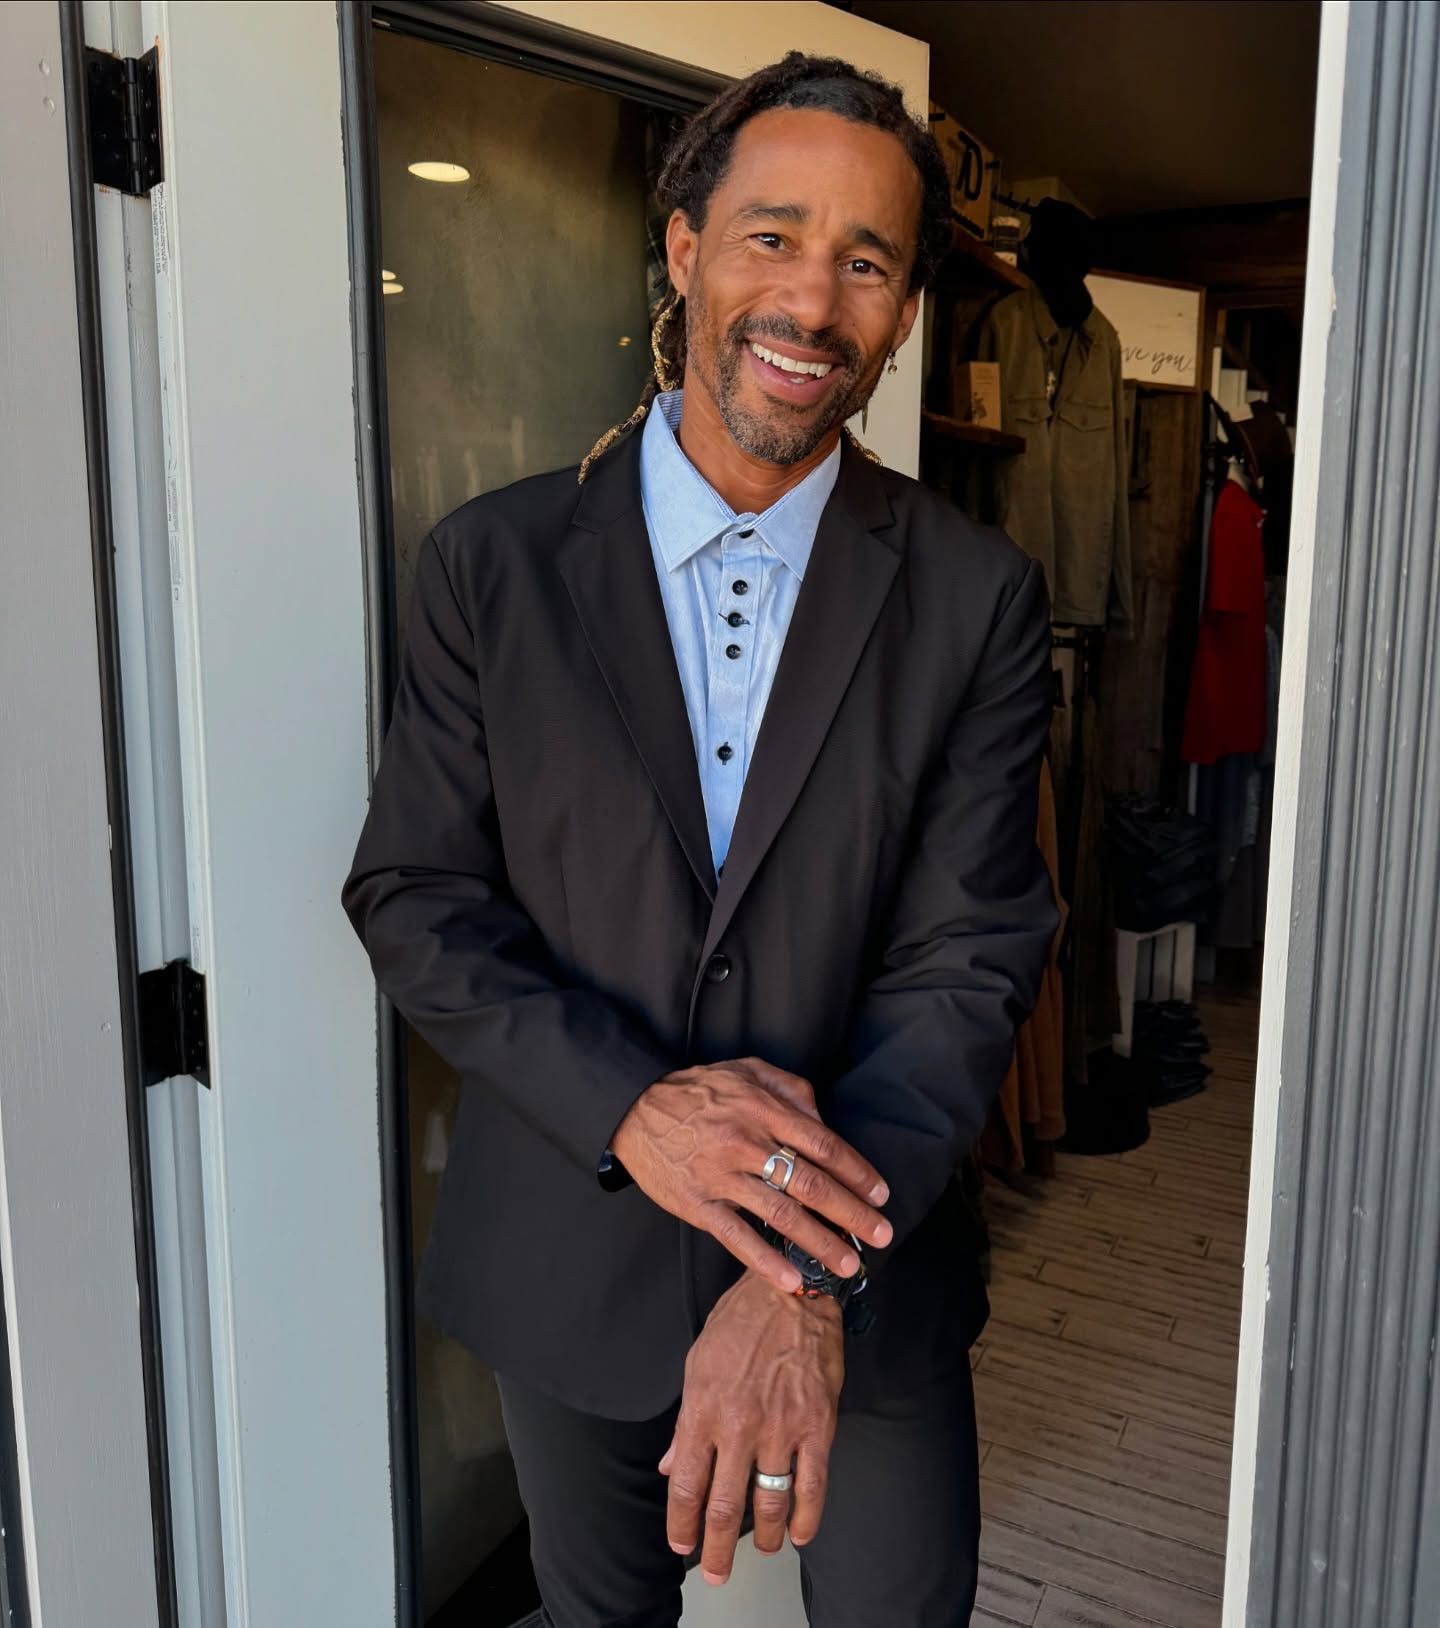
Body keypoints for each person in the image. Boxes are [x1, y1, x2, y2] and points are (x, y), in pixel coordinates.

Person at [343, 51, 1056, 1628]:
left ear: (904, 309)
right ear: (683, 250)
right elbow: (419, 898)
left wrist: (799, 1278)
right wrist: (638, 1111)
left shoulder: (974, 599)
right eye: (772, 235)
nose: (814, 301)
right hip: (573, 1252)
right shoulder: (495, 566)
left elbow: (968, 957)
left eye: (866, 261)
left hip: (868, 1280)